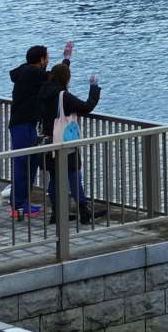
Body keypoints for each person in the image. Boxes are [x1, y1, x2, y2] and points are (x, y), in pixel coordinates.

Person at [6, 42, 67, 219]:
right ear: (41, 60)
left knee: (31, 162)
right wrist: (66, 62)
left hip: (28, 124)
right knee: (22, 162)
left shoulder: (26, 70)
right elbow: (54, 79)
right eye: (47, 57)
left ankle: (23, 202)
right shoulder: (33, 73)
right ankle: (17, 206)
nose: (48, 60)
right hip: (22, 125)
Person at [40, 62, 104, 224]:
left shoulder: (42, 91)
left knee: (54, 177)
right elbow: (86, 106)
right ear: (65, 78)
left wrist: (66, 60)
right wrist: (94, 88)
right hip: (64, 142)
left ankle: (57, 213)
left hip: (46, 142)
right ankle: (84, 211)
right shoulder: (63, 96)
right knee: (74, 173)